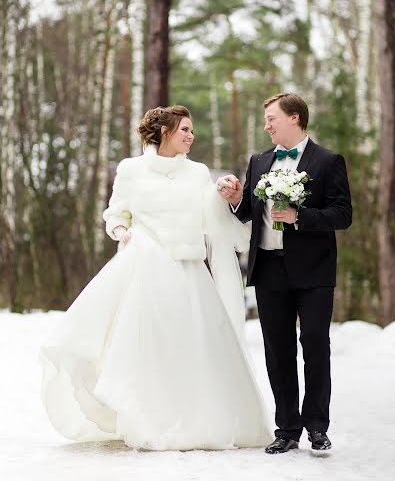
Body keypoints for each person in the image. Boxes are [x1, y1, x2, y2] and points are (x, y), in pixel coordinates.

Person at [41, 105, 272, 451]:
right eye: (185, 130)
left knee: (191, 346)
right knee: (145, 346)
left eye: (192, 131)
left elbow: (211, 216)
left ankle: (197, 417)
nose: (191, 137)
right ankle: (145, 416)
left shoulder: (197, 173)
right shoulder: (130, 170)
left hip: (189, 271)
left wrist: (223, 193)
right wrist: (120, 229)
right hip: (145, 269)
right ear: (164, 131)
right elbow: (116, 212)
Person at [218, 93, 352, 454]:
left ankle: (317, 426)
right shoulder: (259, 160)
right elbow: (246, 210)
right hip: (269, 269)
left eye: (271, 118)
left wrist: (300, 218)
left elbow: (343, 214)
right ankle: (287, 429)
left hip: (314, 272)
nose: (266, 125)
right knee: (277, 351)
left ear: (294, 118)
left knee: (314, 345)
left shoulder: (327, 161)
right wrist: (233, 197)